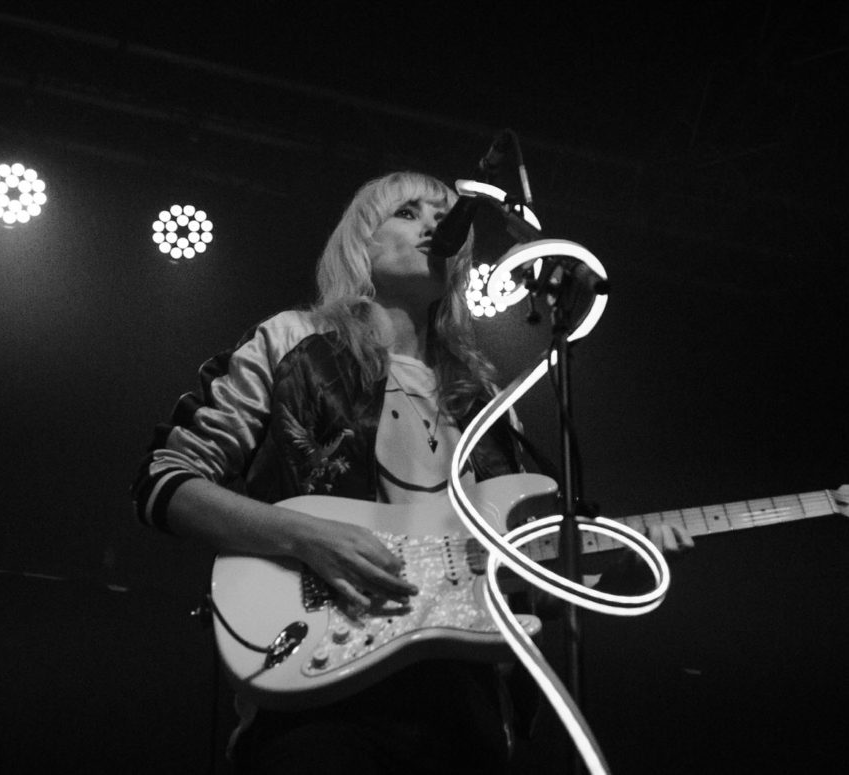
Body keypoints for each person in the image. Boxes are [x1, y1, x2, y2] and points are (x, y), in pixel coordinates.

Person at [132, 171, 691, 774]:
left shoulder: (486, 404)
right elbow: (168, 484)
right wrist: (306, 538)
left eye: (441, 215)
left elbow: (495, 579)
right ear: (360, 243)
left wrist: (603, 578)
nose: (432, 224)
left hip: (465, 715)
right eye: (409, 212)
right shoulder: (291, 342)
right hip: (318, 698)